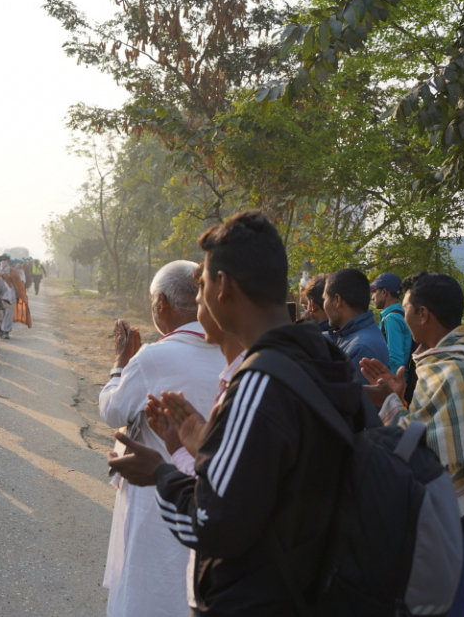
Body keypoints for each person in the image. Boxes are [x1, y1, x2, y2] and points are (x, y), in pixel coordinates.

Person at [108, 211, 365, 617]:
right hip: (310, 586)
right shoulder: (324, 357)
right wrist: (196, 442)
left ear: (222, 286)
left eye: (202, 287)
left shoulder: (259, 383)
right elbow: (267, 483)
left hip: (259, 598)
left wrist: (158, 472)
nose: (199, 301)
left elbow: (211, 528)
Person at [361, 272, 464, 617]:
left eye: (406, 309)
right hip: (454, 504)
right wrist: (398, 398)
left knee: (437, 604)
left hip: (450, 512)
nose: (403, 317)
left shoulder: (453, 369)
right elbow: (429, 428)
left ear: (423, 314)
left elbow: (423, 451)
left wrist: (387, 403)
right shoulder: (462, 358)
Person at [99, 260, 225, 617]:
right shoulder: (228, 352)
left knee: (148, 586)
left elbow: (114, 412)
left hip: (157, 490)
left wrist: (120, 365)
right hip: (210, 497)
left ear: (163, 305)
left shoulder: (152, 356)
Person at [144, 262, 244, 613]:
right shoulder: (239, 376)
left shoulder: (256, 386)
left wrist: (159, 471)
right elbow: (224, 478)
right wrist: (182, 448)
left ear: (224, 296)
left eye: (199, 299)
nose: (194, 311)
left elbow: (213, 520)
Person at [323, 268, 389, 383]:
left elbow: (345, 399)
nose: (324, 305)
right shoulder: (352, 336)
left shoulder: (360, 348)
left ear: (337, 300)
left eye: (325, 298)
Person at [369, 272, 413, 375]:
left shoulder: (392, 318)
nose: (372, 297)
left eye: (374, 292)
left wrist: (389, 387)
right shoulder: (401, 314)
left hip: (396, 384)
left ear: (384, 292)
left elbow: (395, 360)